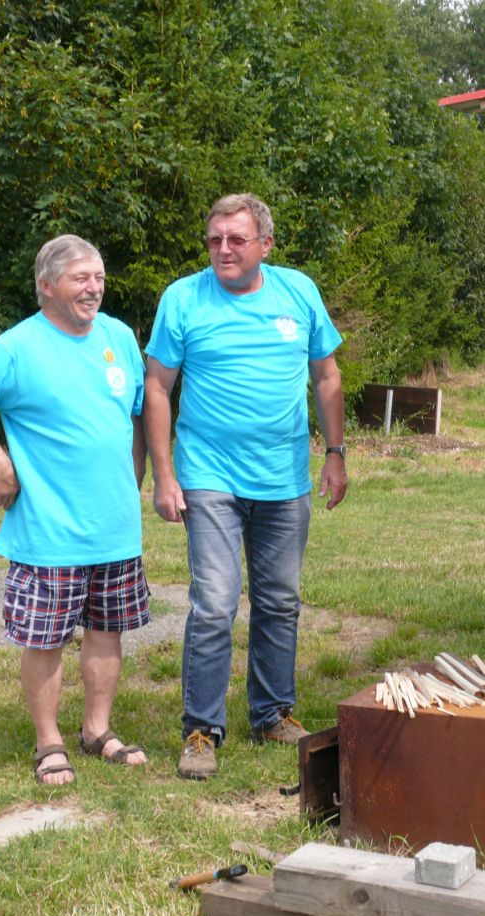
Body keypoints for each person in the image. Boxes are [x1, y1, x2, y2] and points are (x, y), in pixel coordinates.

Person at [144, 193, 347, 780]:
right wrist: (164, 474)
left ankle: (273, 714)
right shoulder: (183, 299)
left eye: (236, 239)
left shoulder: (298, 292)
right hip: (209, 477)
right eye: (214, 240)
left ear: (266, 244)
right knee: (214, 603)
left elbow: (326, 376)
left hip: (284, 479)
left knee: (279, 600)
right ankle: (201, 730)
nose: (223, 249)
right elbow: (157, 387)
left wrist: (335, 454)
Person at [0, 235, 150, 786]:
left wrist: (134, 483)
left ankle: (97, 730)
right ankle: (48, 741)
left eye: (99, 277)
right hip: (48, 529)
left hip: (115, 527)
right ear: (47, 285)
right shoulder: (16, 347)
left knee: (107, 632)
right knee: (45, 639)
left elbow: (134, 418)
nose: (94, 288)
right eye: (81, 278)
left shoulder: (119, 337)